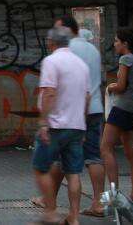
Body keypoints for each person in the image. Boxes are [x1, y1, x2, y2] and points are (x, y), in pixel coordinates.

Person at [40, 15, 106, 217]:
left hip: (72, 113)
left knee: (62, 159)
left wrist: (46, 118)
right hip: (94, 108)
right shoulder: (93, 49)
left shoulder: (68, 51)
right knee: (94, 157)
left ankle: (49, 201)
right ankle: (98, 202)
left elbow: (58, 88)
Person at [31, 26, 90, 225]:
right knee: (73, 172)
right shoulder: (81, 64)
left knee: (41, 167)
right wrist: (83, 122)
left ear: (51, 42)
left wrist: (43, 122)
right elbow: (87, 96)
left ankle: (51, 211)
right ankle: (74, 217)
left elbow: (49, 92)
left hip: (56, 125)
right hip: (77, 125)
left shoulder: (51, 61)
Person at [101, 27, 133, 203]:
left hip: (121, 108)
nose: (115, 44)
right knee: (132, 153)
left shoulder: (125, 59)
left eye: (117, 41)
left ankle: (114, 194)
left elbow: (121, 86)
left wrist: (110, 87)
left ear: (125, 44)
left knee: (105, 147)